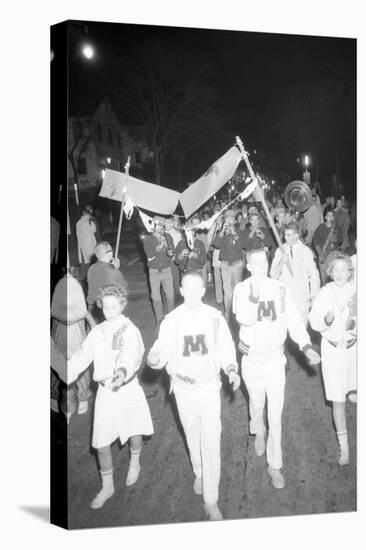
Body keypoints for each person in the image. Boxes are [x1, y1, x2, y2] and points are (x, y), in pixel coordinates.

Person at [147, 272, 240, 521]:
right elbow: (161, 349)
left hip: (209, 387)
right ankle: (199, 471)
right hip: (183, 389)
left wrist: (231, 368)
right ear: (180, 290)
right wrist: (154, 359)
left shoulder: (214, 317)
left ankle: (212, 499)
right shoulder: (172, 320)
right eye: (186, 288)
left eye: (196, 288)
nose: (191, 292)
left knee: (212, 441)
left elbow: (225, 347)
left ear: (203, 290)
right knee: (192, 434)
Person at [53, 283, 154, 509]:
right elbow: (82, 356)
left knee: (134, 431)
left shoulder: (129, 329)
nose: (109, 311)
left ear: (122, 305)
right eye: (105, 307)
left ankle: (135, 462)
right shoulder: (97, 332)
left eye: (114, 306)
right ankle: (107, 486)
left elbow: (130, 353)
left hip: (127, 389)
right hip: (105, 393)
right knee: (100, 443)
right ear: (100, 306)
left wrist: (121, 372)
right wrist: (65, 370)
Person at [232, 248, 320, 489]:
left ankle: (275, 465)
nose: (260, 267)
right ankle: (257, 430)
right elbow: (244, 318)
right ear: (248, 266)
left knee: (276, 415)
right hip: (252, 361)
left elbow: (293, 319)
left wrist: (305, 345)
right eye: (255, 263)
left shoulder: (280, 288)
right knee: (257, 405)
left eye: (264, 262)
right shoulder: (241, 289)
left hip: (275, 361)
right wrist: (254, 295)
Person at [309, 253, 357, 465]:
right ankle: (344, 449)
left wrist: (354, 326)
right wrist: (325, 321)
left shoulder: (356, 292)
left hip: (354, 351)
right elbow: (313, 321)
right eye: (335, 270)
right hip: (331, 351)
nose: (339, 274)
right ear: (330, 272)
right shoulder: (324, 293)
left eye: (343, 270)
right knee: (338, 400)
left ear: (350, 272)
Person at [51, 267, 95, 422]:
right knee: (57, 373)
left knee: (81, 370)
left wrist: (94, 330)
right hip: (60, 339)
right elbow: (56, 311)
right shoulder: (59, 289)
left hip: (77, 340)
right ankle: (55, 397)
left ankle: (82, 397)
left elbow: (86, 314)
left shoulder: (76, 288)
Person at [270, 222, 320, 323]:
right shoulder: (280, 251)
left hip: (301, 295)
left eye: (289, 235)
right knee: (285, 327)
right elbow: (273, 275)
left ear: (296, 236)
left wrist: (313, 295)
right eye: (285, 235)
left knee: (302, 327)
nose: (285, 238)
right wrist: (281, 263)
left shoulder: (306, 251)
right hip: (284, 296)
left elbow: (314, 275)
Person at [142, 217, 175, 328]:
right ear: (154, 226)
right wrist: (159, 247)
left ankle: (171, 318)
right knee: (156, 297)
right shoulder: (147, 239)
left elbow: (171, 252)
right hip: (154, 272)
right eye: (160, 225)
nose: (162, 228)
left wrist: (170, 251)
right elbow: (149, 254)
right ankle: (159, 319)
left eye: (163, 225)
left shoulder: (168, 236)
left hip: (166, 270)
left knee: (170, 296)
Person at [213, 210, 245, 321]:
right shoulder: (221, 233)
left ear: (235, 220)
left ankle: (238, 313)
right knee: (227, 292)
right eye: (227, 218)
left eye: (232, 218)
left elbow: (241, 246)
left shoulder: (239, 231)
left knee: (237, 290)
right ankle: (227, 314)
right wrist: (222, 231)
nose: (230, 220)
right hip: (225, 265)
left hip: (237, 265)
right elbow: (216, 244)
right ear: (224, 220)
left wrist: (234, 234)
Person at [87, 241, 127, 320]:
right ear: (109, 253)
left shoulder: (91, 269)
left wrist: (113, 268)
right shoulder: (113, 272)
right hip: (106, 311)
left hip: (92, 309)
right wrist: (116, 270)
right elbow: (124, 289)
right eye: (111, 250)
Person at [312, 209, 342, 285]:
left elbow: (341, 239)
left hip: (333, 254)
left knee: (334, 276)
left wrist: (335, 239)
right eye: (328, 215)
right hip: (322, 253)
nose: (330, 217)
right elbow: (315, 240)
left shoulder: (337, 227)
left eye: (332, 216)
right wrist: (319, 252)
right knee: (323, 276)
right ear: (325, 217)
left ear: (333, 218)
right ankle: (325, 288)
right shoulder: (321, 227)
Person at [76, 205, 97, 283]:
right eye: (89, 215)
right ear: (86, 215)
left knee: (85, 261)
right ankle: (88, 277)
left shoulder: (78, 222)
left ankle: (83, 278)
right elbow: (93, 230)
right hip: (89, 244)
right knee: (89, 261)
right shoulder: (88, 222)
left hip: (83, 245)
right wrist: (91, 223)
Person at [164, 216, 183, 297]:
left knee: (175, 279)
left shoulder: (177, 234)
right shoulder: (163, 233)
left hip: (173, 260)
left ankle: (177, 297)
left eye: (168, 222)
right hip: (164, 260)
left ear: (172, 224)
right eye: (165, 222)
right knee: (166, 281)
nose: (165, 224)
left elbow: (177, 248)